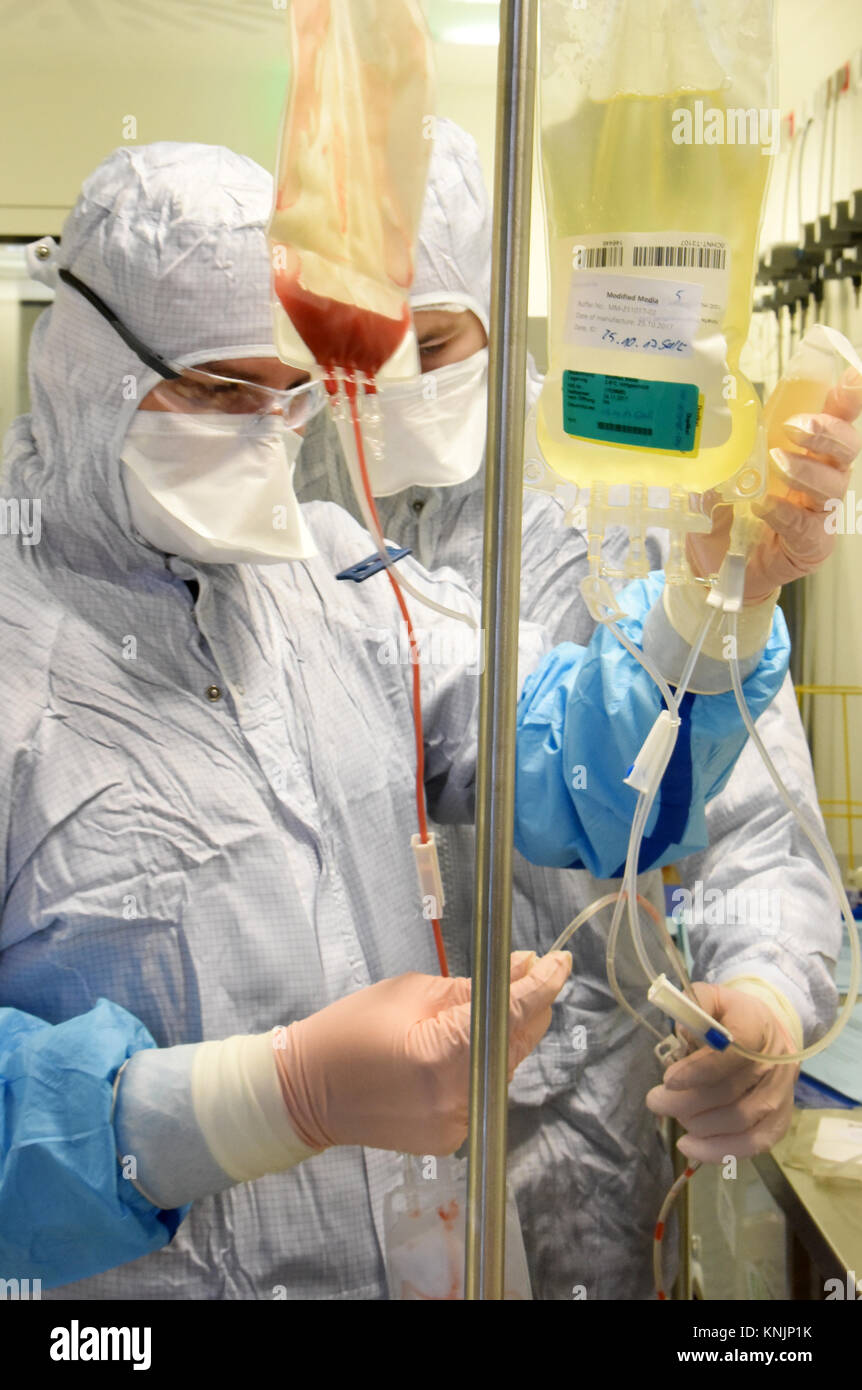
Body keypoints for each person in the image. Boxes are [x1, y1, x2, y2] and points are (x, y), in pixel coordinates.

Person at [296, 118, 862, 1298]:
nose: (389, 384)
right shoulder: (273, 516)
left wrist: (759, 1001)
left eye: (433, 338)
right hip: (328, 1158)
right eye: (358, 346)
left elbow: (755, 826)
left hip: (588, 1135)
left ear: (503, 314)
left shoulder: (628, 498)